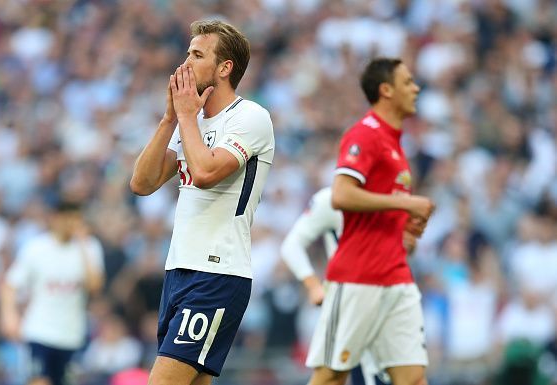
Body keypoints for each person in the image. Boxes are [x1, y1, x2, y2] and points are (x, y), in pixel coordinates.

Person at [130, 20, 274, 385]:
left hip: (217, 272)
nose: (185, 63)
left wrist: (187, 118)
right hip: (178, 270)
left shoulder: (250, 117)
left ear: (225, 68)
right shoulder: (187, 125)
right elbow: (141, 182)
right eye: (187, 53)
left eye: (197, 54)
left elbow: (207, 171)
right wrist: (169, 119)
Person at [304, 57, 435, 385]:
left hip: (396, 275)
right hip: (358, 275)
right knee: (332, 376)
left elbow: (379, 211)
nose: (416, 88)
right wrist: (404, 202)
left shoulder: (394, 143)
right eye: (408, 82)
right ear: (386, 90)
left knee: (413, 377)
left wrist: (404, 228)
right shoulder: (365, 133)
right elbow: (342, 195)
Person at [281, 187, 418, 385]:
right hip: (349, 301)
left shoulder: (392, 195)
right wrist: (313, 285)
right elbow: (292, 245)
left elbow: (404, 248)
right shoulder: (330, 199)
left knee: (403, 375)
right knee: (336, 374)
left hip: (390, 297)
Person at [0, 201, 105, 385]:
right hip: (39, 331)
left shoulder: (90, 247)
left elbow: (95, 287)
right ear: (55, 219)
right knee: (39, 381)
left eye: (76, 220)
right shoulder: (37, 248)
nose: (72, 225)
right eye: (68, 219)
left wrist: (83, 246)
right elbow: (9, 285)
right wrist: (9, 316)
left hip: (71, 335)